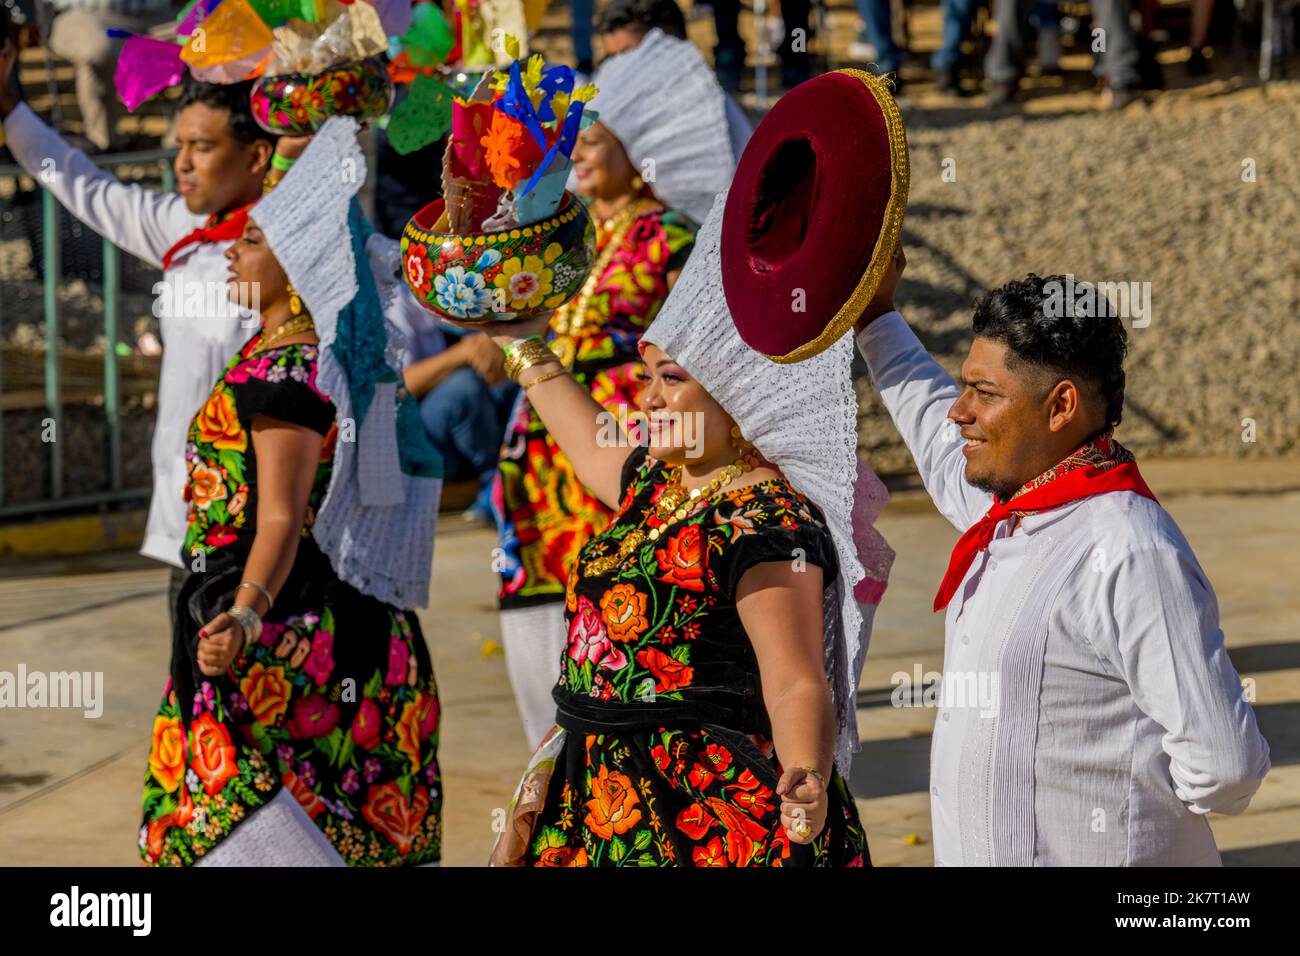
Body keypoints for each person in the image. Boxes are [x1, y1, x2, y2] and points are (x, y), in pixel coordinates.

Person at [488, 188, 890, 867]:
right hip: (587, 795)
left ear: (738, 391)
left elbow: (794, 680)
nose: (647, 400)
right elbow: (584, 442)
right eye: (647, 377)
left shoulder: (768, 523)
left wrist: (806, 778)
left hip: (693, 805)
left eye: (669, 379)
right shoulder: (656, 481)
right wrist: (515, 333)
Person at [856, 261, 1271, 864]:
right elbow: (929, 418)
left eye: (985, 393)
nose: (959, 410)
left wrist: (1133, 824)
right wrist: (875, 316)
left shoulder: (1131, 549)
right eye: (965, 385)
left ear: (1061, 407)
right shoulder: (1009, 499)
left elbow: (1226, 766)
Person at [139, 118, 446, 866]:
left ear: (299, 260)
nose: (232, 251)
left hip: (280, 635)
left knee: (247, 831)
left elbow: (280, 517)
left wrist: (244, 614)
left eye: (251, 241)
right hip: (274, 620)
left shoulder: (285, 376)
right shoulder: (285, 355)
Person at [493, 26, 737, 748]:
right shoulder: (568, 240)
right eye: (578, 145)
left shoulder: (673, 236)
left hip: (624, 444)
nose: (583, 156)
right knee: (538, 606)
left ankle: (617, 749)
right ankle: (554, 766)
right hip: (542, 458)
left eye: (600, 141)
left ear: (640, 150)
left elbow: (698, 350)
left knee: (615, 602)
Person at [1, 58, 274, 616]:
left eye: (201, 147)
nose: (181, 164)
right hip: (187, 526)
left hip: (266, 527)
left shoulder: (298, 250)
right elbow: (84, 184)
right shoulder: (186, 229)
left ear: (257, 155)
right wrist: (11, 111)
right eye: (179, 146)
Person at [595, 0, 753, 162]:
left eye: (631, 57)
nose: (620, 71)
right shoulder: (611, 121)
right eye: (613, 60)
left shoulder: (717, 115)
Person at [45, 0, 173, 151]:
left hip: (159, 16)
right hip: (85, 14)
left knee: (202, 46)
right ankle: (104, 148)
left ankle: (182, 147)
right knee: (98, 49)